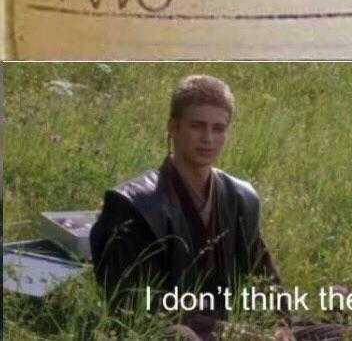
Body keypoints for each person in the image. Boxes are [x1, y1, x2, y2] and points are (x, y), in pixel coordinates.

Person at [90, 74, 280, 340]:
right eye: (197, 126)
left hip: (234, 330)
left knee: (348, 333)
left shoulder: (239, 198)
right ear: (173, 127)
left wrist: (280, 327)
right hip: (175, 330)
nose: (208, 139)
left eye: (218, 128)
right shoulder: (135, 205)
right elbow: (134, 304)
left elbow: (265, 282)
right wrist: (234, 333)